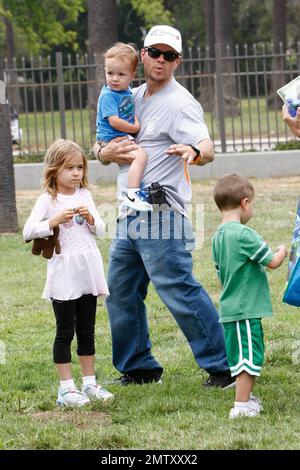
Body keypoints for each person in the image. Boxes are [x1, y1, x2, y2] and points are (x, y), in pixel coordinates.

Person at [94, 25, 233, 388]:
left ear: (177, 62)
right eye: (154, 52)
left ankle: (224, 366)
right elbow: (102, 142)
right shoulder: (129, 93)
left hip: (161, 213)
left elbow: (208, 147)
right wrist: (101, 152)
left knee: (177, 288)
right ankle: (139, 367)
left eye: (169, 55)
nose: (160, 60)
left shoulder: (180, 102)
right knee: (120, 290)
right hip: (129, 212)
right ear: (142, 55)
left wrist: (194, 152)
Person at [23, 139, 114, 407]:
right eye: (69, 168)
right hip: (64, 273)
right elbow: (29, 230)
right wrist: (52, 221)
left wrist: (91, 219)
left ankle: (89, 383)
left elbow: (101, 230)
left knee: (87, 329)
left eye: (80, 167)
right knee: (65, 330)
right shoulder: (47, 200)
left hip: (88, 271)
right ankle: (66, 389)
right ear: (54, 170)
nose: (76, 173)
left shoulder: (85, 196)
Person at [212, 174, 287, 418]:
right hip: (246, 308)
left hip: (230, 307)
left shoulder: (218, 236)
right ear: (245, 203)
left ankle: (246, 397)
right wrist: (283, 251)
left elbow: (219, 270)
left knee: (239, 355)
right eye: (252, 203)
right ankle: (242, 406)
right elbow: (273, 262)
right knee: (249, 356)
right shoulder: (245, 234)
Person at [96, 42, 152, 212]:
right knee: (140, 157)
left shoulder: (126, 91)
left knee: (129, 164)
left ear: (132, 75)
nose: (114, 78)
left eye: (121, 74)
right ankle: (132, 194)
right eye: (110, 73)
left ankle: (128, 196)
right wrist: (134, 127)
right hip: (114, 137)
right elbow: (114, 121)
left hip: (118, 136)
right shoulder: (108, 95)